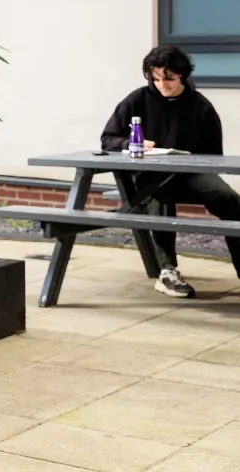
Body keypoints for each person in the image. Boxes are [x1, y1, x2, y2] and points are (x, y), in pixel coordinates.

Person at [100, 44, 240, 298]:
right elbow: (108, 139)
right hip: (150, 175)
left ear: (182, 75)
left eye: (169, 79)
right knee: (158, 190)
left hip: (191, 175)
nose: (162, 84)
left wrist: (190, 161)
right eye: (156, 78)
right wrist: (131, 144)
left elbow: (214, 156)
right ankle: (168, 271)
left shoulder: (200, 106)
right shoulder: (137, 100)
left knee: (230, 200)